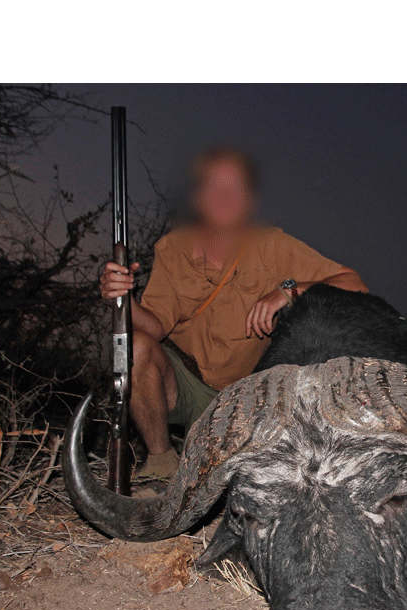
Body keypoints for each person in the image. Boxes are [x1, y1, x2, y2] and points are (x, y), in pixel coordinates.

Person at [100, 146, 368, 479]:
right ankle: (161, 464)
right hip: (183, 386)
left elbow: (354, 283)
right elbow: (153, 328)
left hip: (245, 402)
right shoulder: (171, 248)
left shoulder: (271, 245)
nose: (224, 197)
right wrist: (122, 298)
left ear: (249, 202)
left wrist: (288, 290)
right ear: (198, 198)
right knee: (136, 347)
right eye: (214, 186)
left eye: (235, 188)